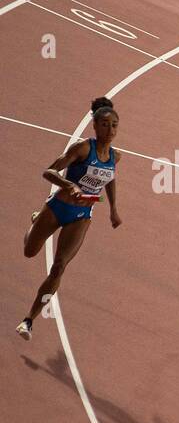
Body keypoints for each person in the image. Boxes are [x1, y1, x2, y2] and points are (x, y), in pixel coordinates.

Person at [17, 97, 122, 340]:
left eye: (115, 125)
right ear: (95, 126)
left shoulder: (115, 157)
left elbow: (111, 178)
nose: (110, 130)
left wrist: (114, 209)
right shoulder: (82, 148)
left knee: (59, 267)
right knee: (29, 251)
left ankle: (29, 320)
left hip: (81, 215)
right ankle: (36, 221)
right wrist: (68, 184)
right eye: (105, 125)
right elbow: (49, 171)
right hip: (58, 207)